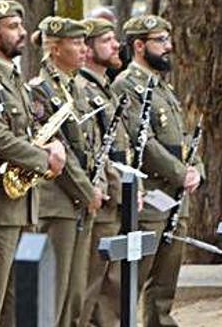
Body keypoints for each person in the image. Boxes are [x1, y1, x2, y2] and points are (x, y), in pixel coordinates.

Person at [0, 0, 67, 327]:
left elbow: (26, 132)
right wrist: (43, 159)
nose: (23, 33)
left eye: (22, 26)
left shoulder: (13, 78)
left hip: (23, 206)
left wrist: (52, 145)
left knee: (16, 309)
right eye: (13, 27)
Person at [112, 15, 204, 327]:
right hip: (152, 197)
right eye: (160, 41)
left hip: (177, 199)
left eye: (167, 40)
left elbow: (185, 137)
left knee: (165, 285)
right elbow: (145, 144)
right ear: (139, 46)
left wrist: (196, 169)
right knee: (136, 279)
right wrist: (181, 173)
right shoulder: (127, 85)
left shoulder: (163, 88)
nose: (168, 47)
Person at [27, 16, 101, 327]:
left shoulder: (81, 88)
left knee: (75, 294)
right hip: (59, 202)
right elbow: (60, 151)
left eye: (84, 42)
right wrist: (87, 192)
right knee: (54, 294)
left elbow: (93, 142)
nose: (84, 49)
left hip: (83, 201)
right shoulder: (40, 90)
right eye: (75, 43)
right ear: (54, 48)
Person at [78, 18, 128, 326]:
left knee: (111, 284)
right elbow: (94, 149)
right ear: (88, 48)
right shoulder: (84, 89)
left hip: (118, 194)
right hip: (103, 196)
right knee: (89, 285)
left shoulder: (105, 87)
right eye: (107, 40)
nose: (115, 45)